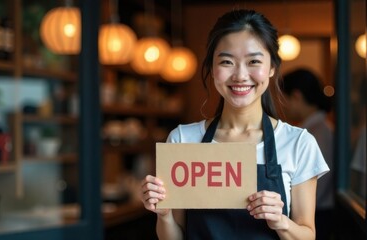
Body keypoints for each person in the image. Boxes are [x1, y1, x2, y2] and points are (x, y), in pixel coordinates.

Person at [140, 9, 329, 240]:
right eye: (227, 61)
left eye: (254, 61)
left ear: (271, 68)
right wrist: (164, 215)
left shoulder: (299, 143)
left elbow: (308, 234)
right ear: (211, 67)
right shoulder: (183, 139)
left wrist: (280, 222)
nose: (240, 75)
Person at [281, 69, 335, 240]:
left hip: (316, 215)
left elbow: (318, 186)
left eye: (285, 99)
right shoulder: (315, 128)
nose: (283, 106)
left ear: (296, 96)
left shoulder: (316, 133)